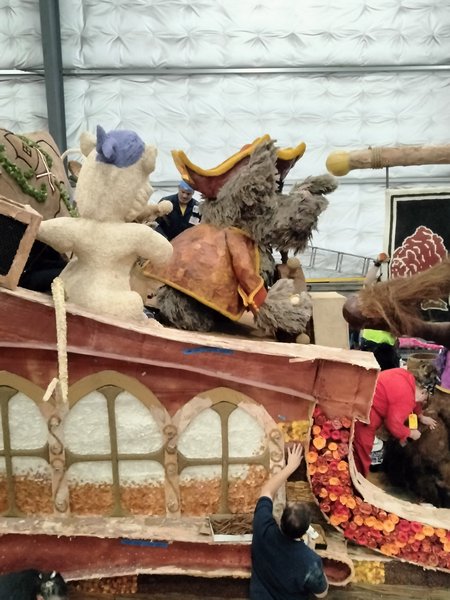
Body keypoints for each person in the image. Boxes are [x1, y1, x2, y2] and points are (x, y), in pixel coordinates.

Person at [250, 444, 329, 600]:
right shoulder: (310, 561)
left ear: (280, 519)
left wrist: (290, 467)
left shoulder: (262, 528)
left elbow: (267, 491)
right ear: (306, 530)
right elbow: (322, 593)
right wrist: (311, 550)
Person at [353, 367, 437, 477]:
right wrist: (410, 433)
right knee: (362, 450)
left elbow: (416, 402)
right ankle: (357, 477)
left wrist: (420, 416)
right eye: (425, 399)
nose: (423, 401)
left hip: (366, 394)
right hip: (364, 410)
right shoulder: (405, 398)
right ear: (424, 392)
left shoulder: (407, 377)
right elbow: (393, 424)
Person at [359, 252, 401, 370]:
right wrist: (377, 263)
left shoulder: (392, 302)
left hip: (388, 346)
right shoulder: (371, 299)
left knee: (388, 375)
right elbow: (367, 283)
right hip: (371, 344)